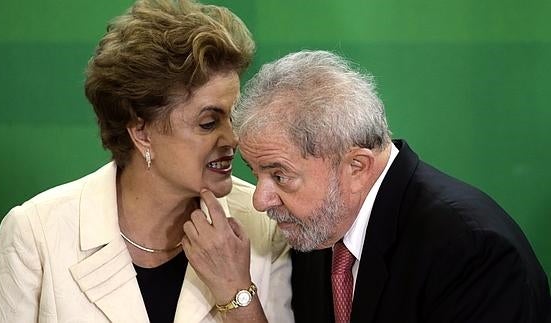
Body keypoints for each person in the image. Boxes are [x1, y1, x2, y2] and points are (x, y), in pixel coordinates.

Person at [0, 1, 293, 322]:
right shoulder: (35, 234)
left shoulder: (265, 226)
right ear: (141, 131)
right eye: (209, 122)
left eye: (232, 117)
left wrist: (234, 291)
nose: (232, 139)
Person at [233, 50, 550, 323]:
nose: (261, 200)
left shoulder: (472, 251)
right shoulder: (318, 229)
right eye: (256, 172)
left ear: (357, 166)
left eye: (279, 175)